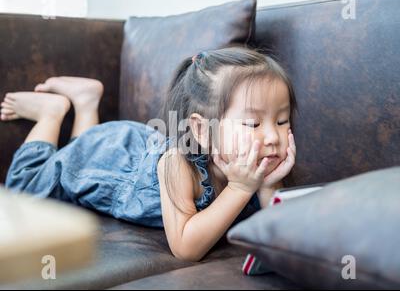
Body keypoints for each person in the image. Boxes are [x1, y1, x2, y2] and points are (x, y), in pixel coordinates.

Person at [1, 46, 297, 261]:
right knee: (23, 187)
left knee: (79, 149)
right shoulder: (177, 164)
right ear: (203, 131)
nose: (272, 136)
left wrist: (269, 187)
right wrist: (241, 188)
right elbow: (185, 248)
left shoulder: (257, 163)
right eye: (253, 123)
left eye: (282, 121)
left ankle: (86, 103)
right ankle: (51, 114)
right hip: (106, 154)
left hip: (128, 148)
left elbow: (282, 238)